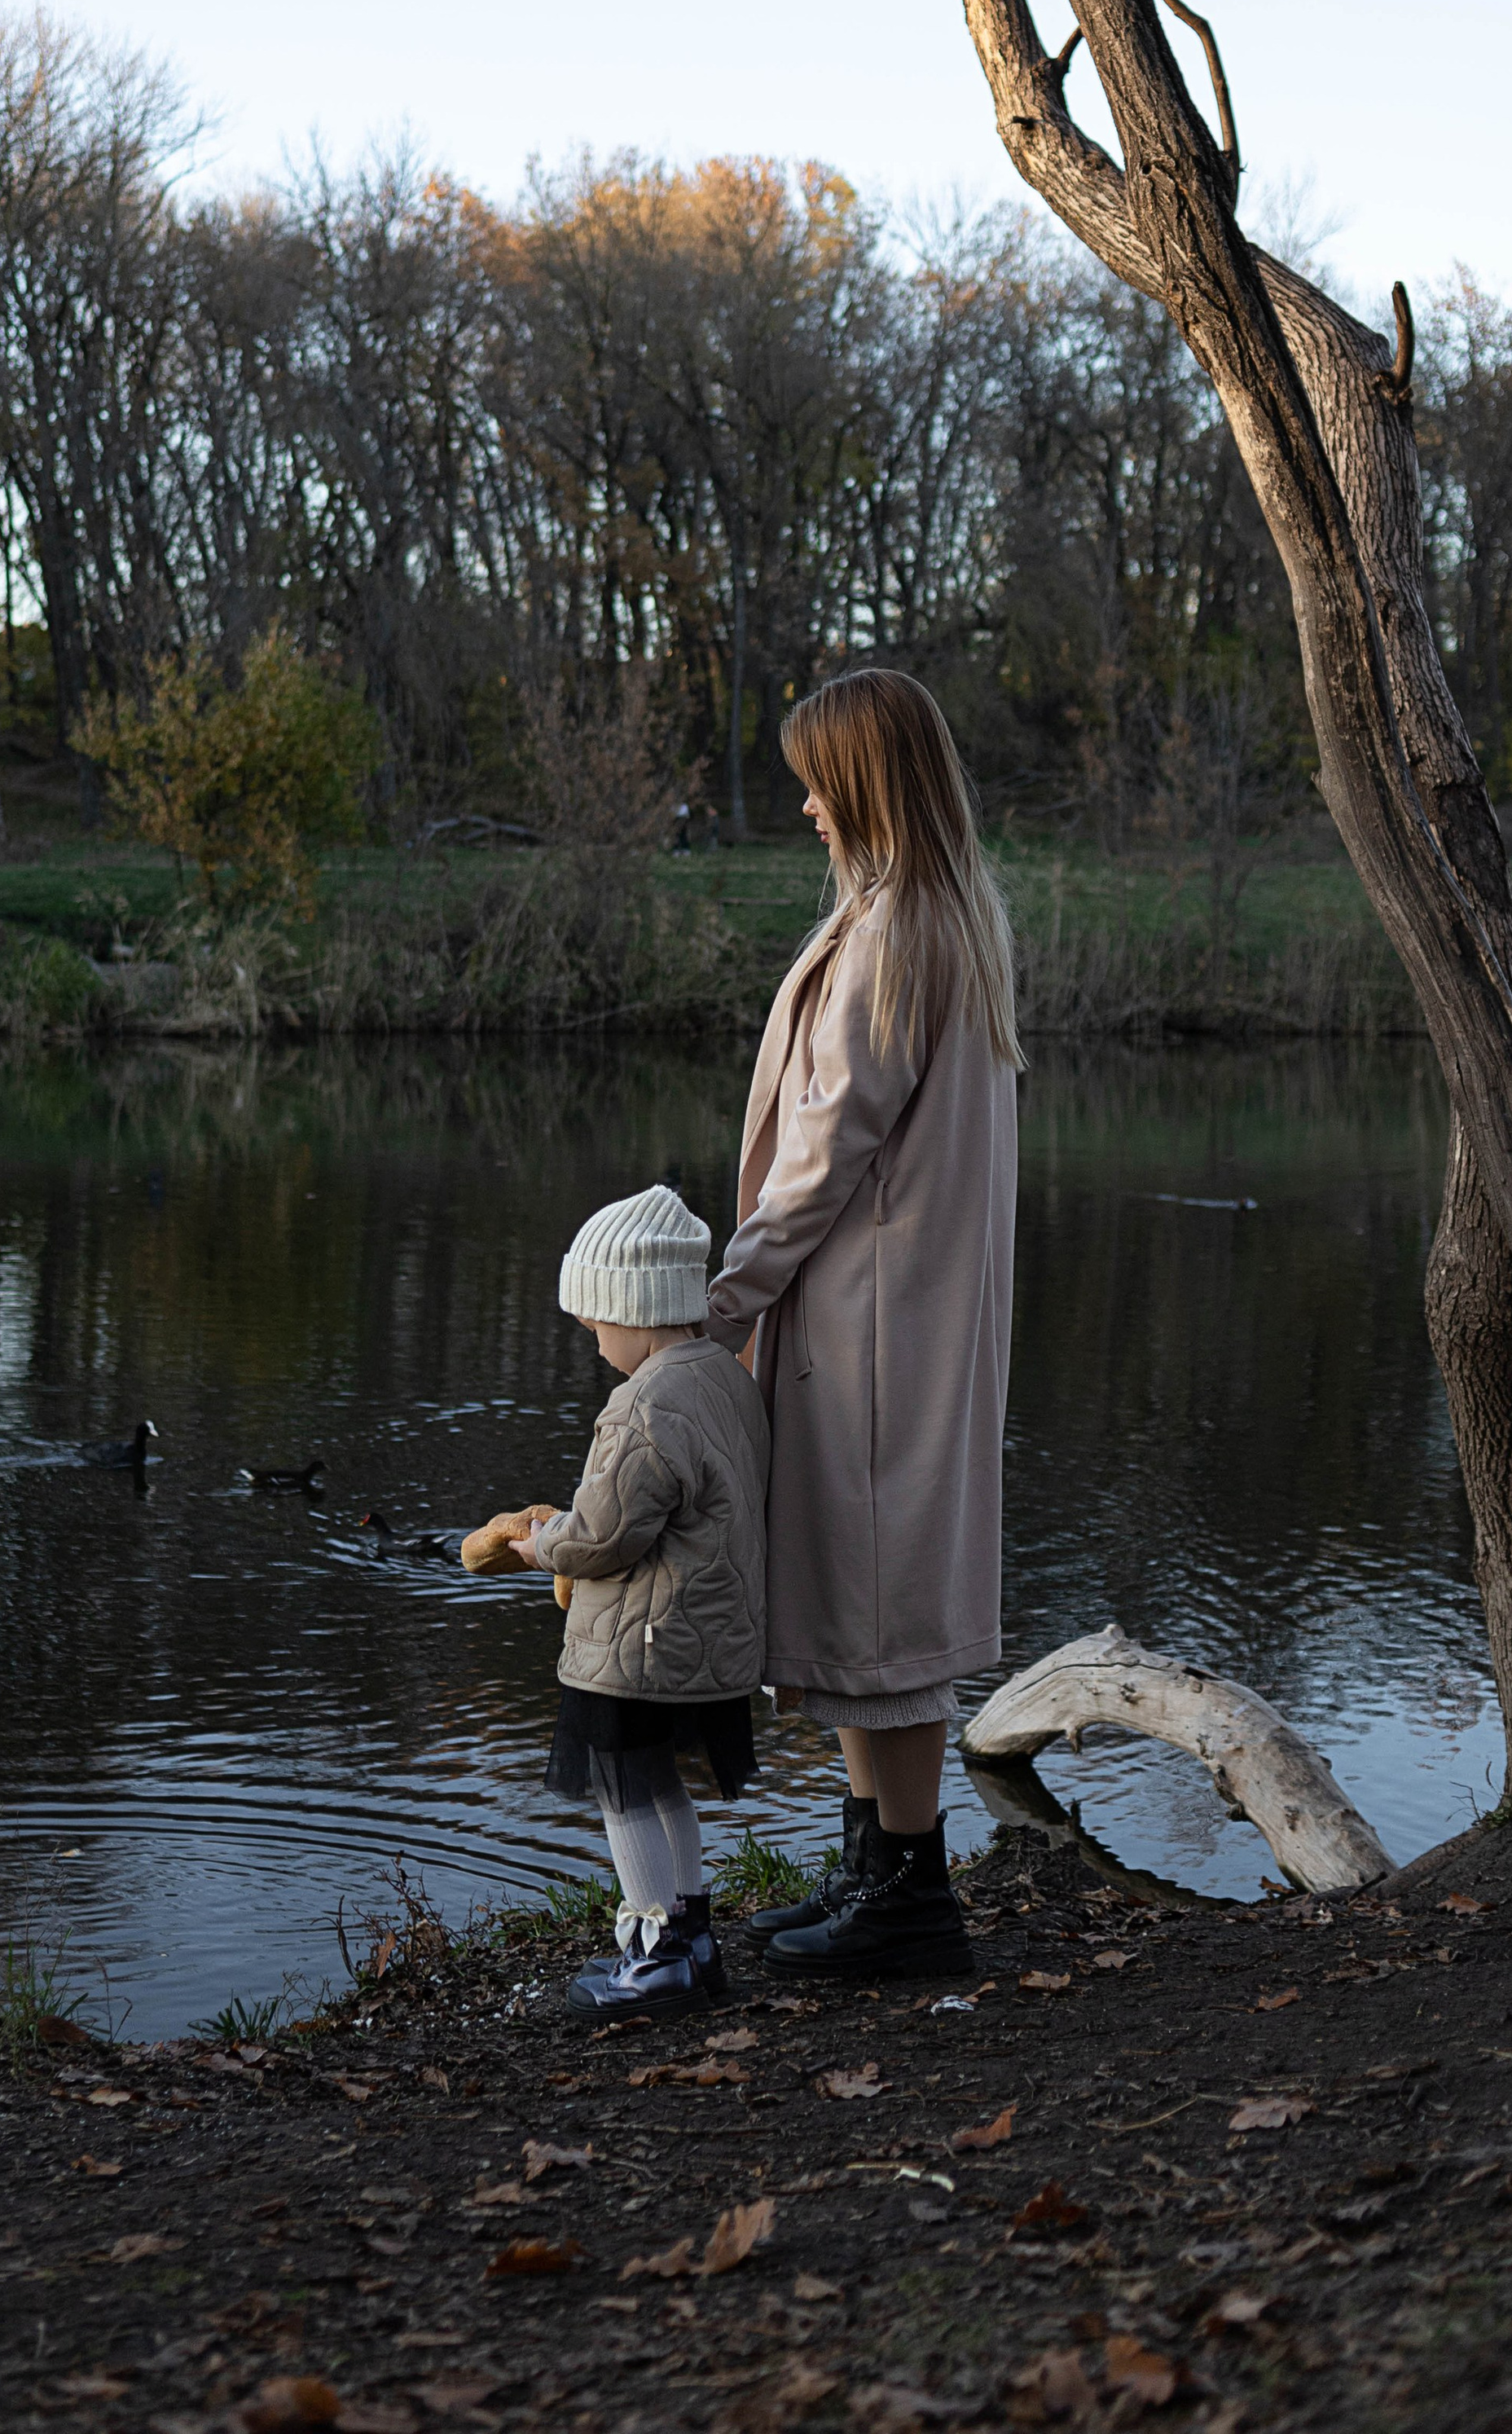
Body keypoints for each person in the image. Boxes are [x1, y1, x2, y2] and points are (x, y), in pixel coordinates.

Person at [703, 669, 1022, 1976]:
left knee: (885, 1616)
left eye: (819, 780)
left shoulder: (900, 936)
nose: (805, 806)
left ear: (868, 784)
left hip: (876, 1331)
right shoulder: (932, 916)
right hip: (879, 1321)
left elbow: (822, 1158)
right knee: (860, 1605)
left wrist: (715, 1305)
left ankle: (910, 1900)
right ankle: (871, 1869)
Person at [514, 1183, 770, 2022]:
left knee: (623, 1790)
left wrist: (540, 1542)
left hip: (639, 1645)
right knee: (666, 1787)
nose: (593, 1344)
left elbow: (604, 1537)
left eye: (594, 1325)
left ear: (635, 1307)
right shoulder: (724, 1380)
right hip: (704, 1635)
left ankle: (653, 1957)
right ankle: (693, 1940)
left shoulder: (646, 1403)